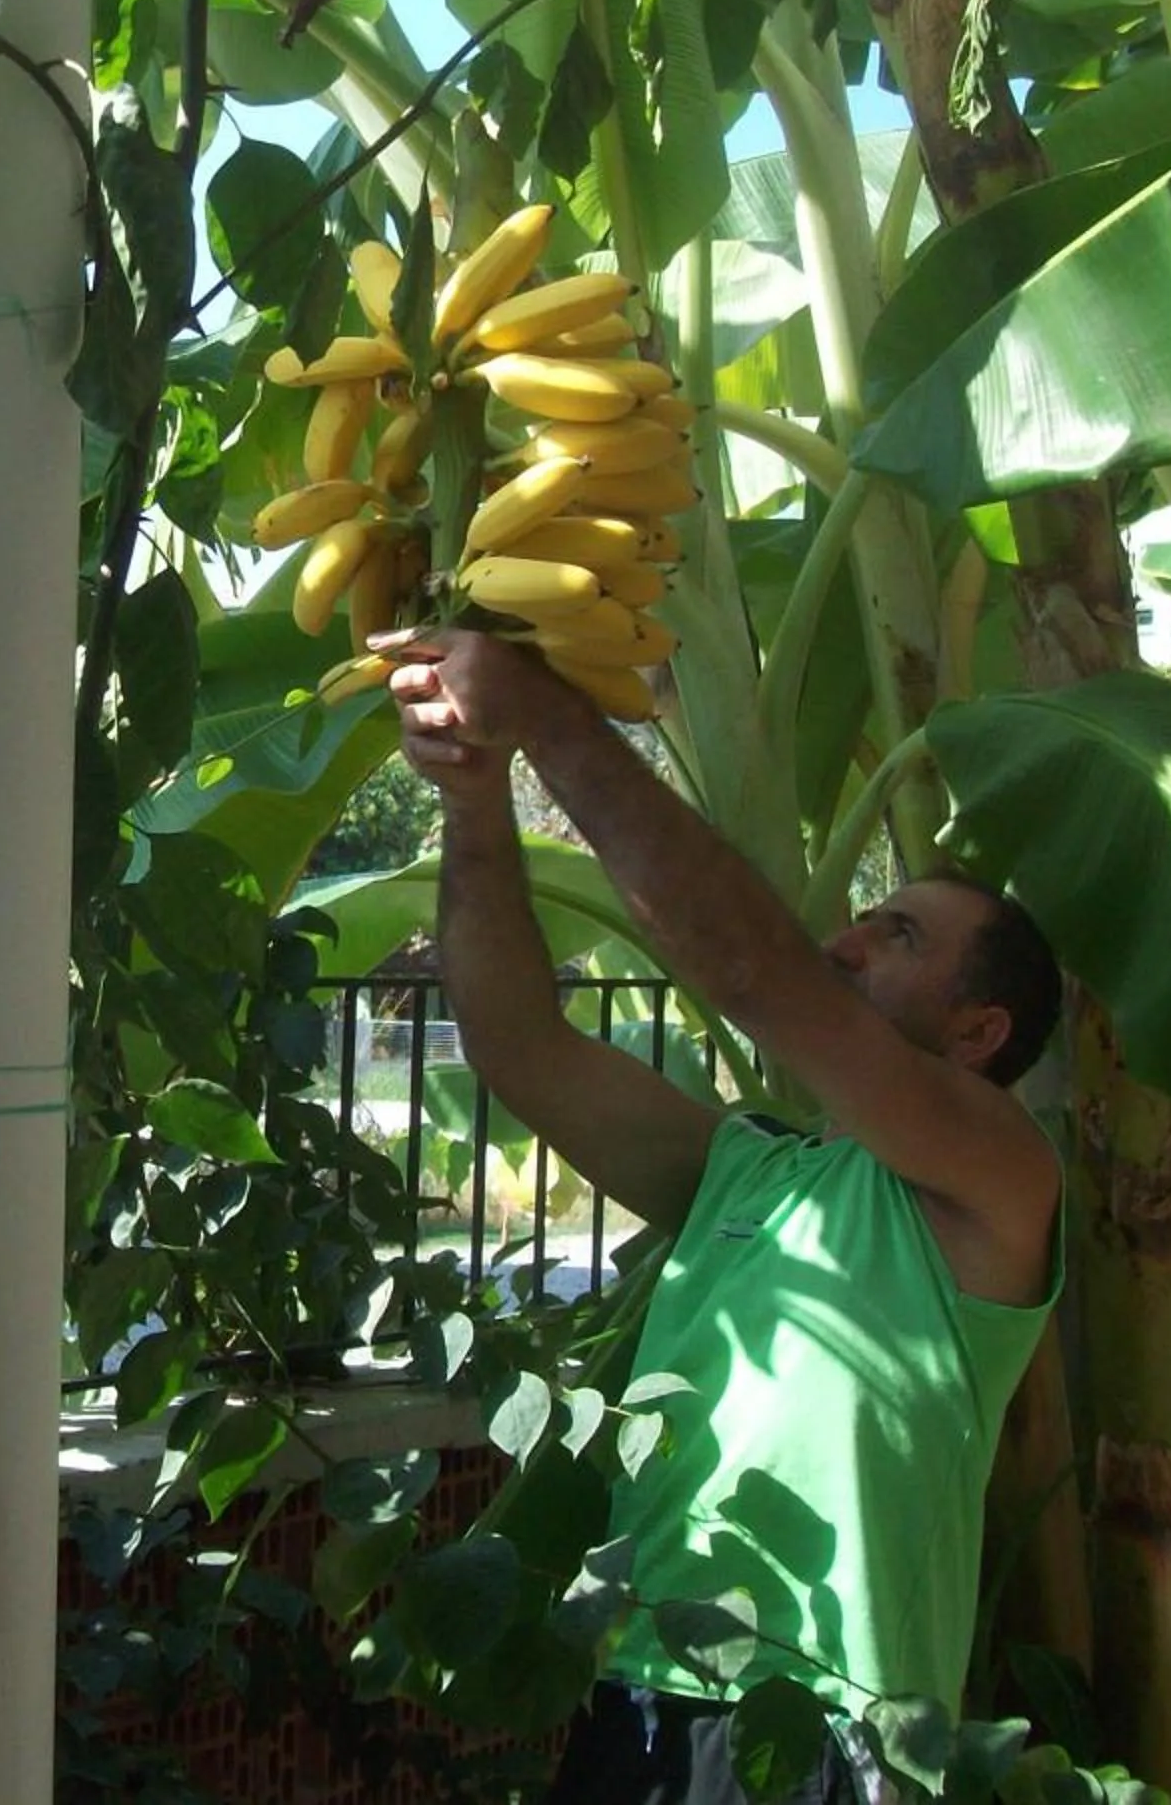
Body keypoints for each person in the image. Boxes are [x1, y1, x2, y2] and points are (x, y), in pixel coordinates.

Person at [381, 628, 1065, 1805]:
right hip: (642, 1696)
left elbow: (760, 979)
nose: (846, 940)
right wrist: (477, 793)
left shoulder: (998, 1181)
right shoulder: (745, 1174)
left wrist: (548, 717)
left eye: (897, 935)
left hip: (830, 1730)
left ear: (978, 1031)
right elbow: (519, 1044)